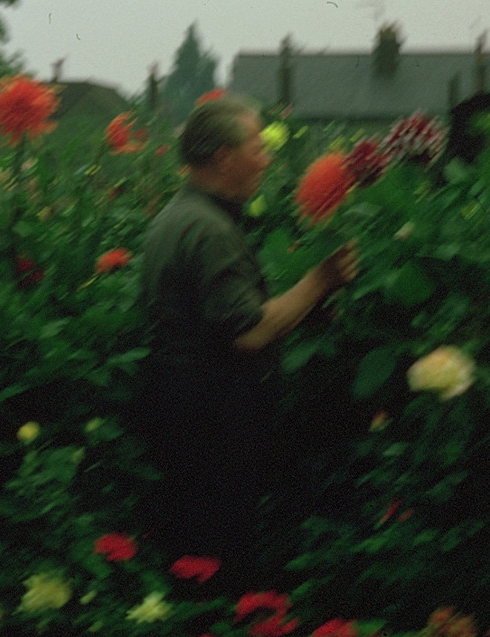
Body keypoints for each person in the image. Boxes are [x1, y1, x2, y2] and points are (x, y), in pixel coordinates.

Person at [135, 94, 358, 589]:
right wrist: (320, 280)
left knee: (193, 563)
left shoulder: (179, 216)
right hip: (212, 427)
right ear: (223, 158)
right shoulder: (208, 229)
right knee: (220, 567)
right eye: (257, 148)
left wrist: (308, 306)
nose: (267, 159)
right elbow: (249, 332)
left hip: (182, 417)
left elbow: (215, 317)